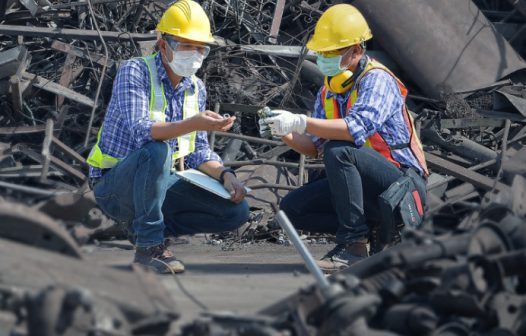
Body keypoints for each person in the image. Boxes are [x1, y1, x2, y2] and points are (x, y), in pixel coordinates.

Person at [259, 4, 429, 272]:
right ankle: (372, 230)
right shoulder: (328, 91)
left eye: (332, 52)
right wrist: (285, 132)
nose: (324, 57)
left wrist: (300, 121)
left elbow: (354, 129)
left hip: (402, 185)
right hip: (366, 189)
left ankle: (354, 246)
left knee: (340, 150)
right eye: (322, 52)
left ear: (357, 50)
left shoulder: (377, 80)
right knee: (293, 209)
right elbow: (314, 148)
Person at [87, 0, 249, 274]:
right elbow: (143, 131)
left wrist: (225, 175)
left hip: (155, 184)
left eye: (201, 48)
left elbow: (197, 151)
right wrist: (192, 123)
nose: (195, 54)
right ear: (163, 45)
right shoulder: (135, 71)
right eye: (187, 46)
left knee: (236, 212)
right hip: (114, 188)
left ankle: (144, 230)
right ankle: (149, 247)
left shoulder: (196, 88)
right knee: (158, 150)